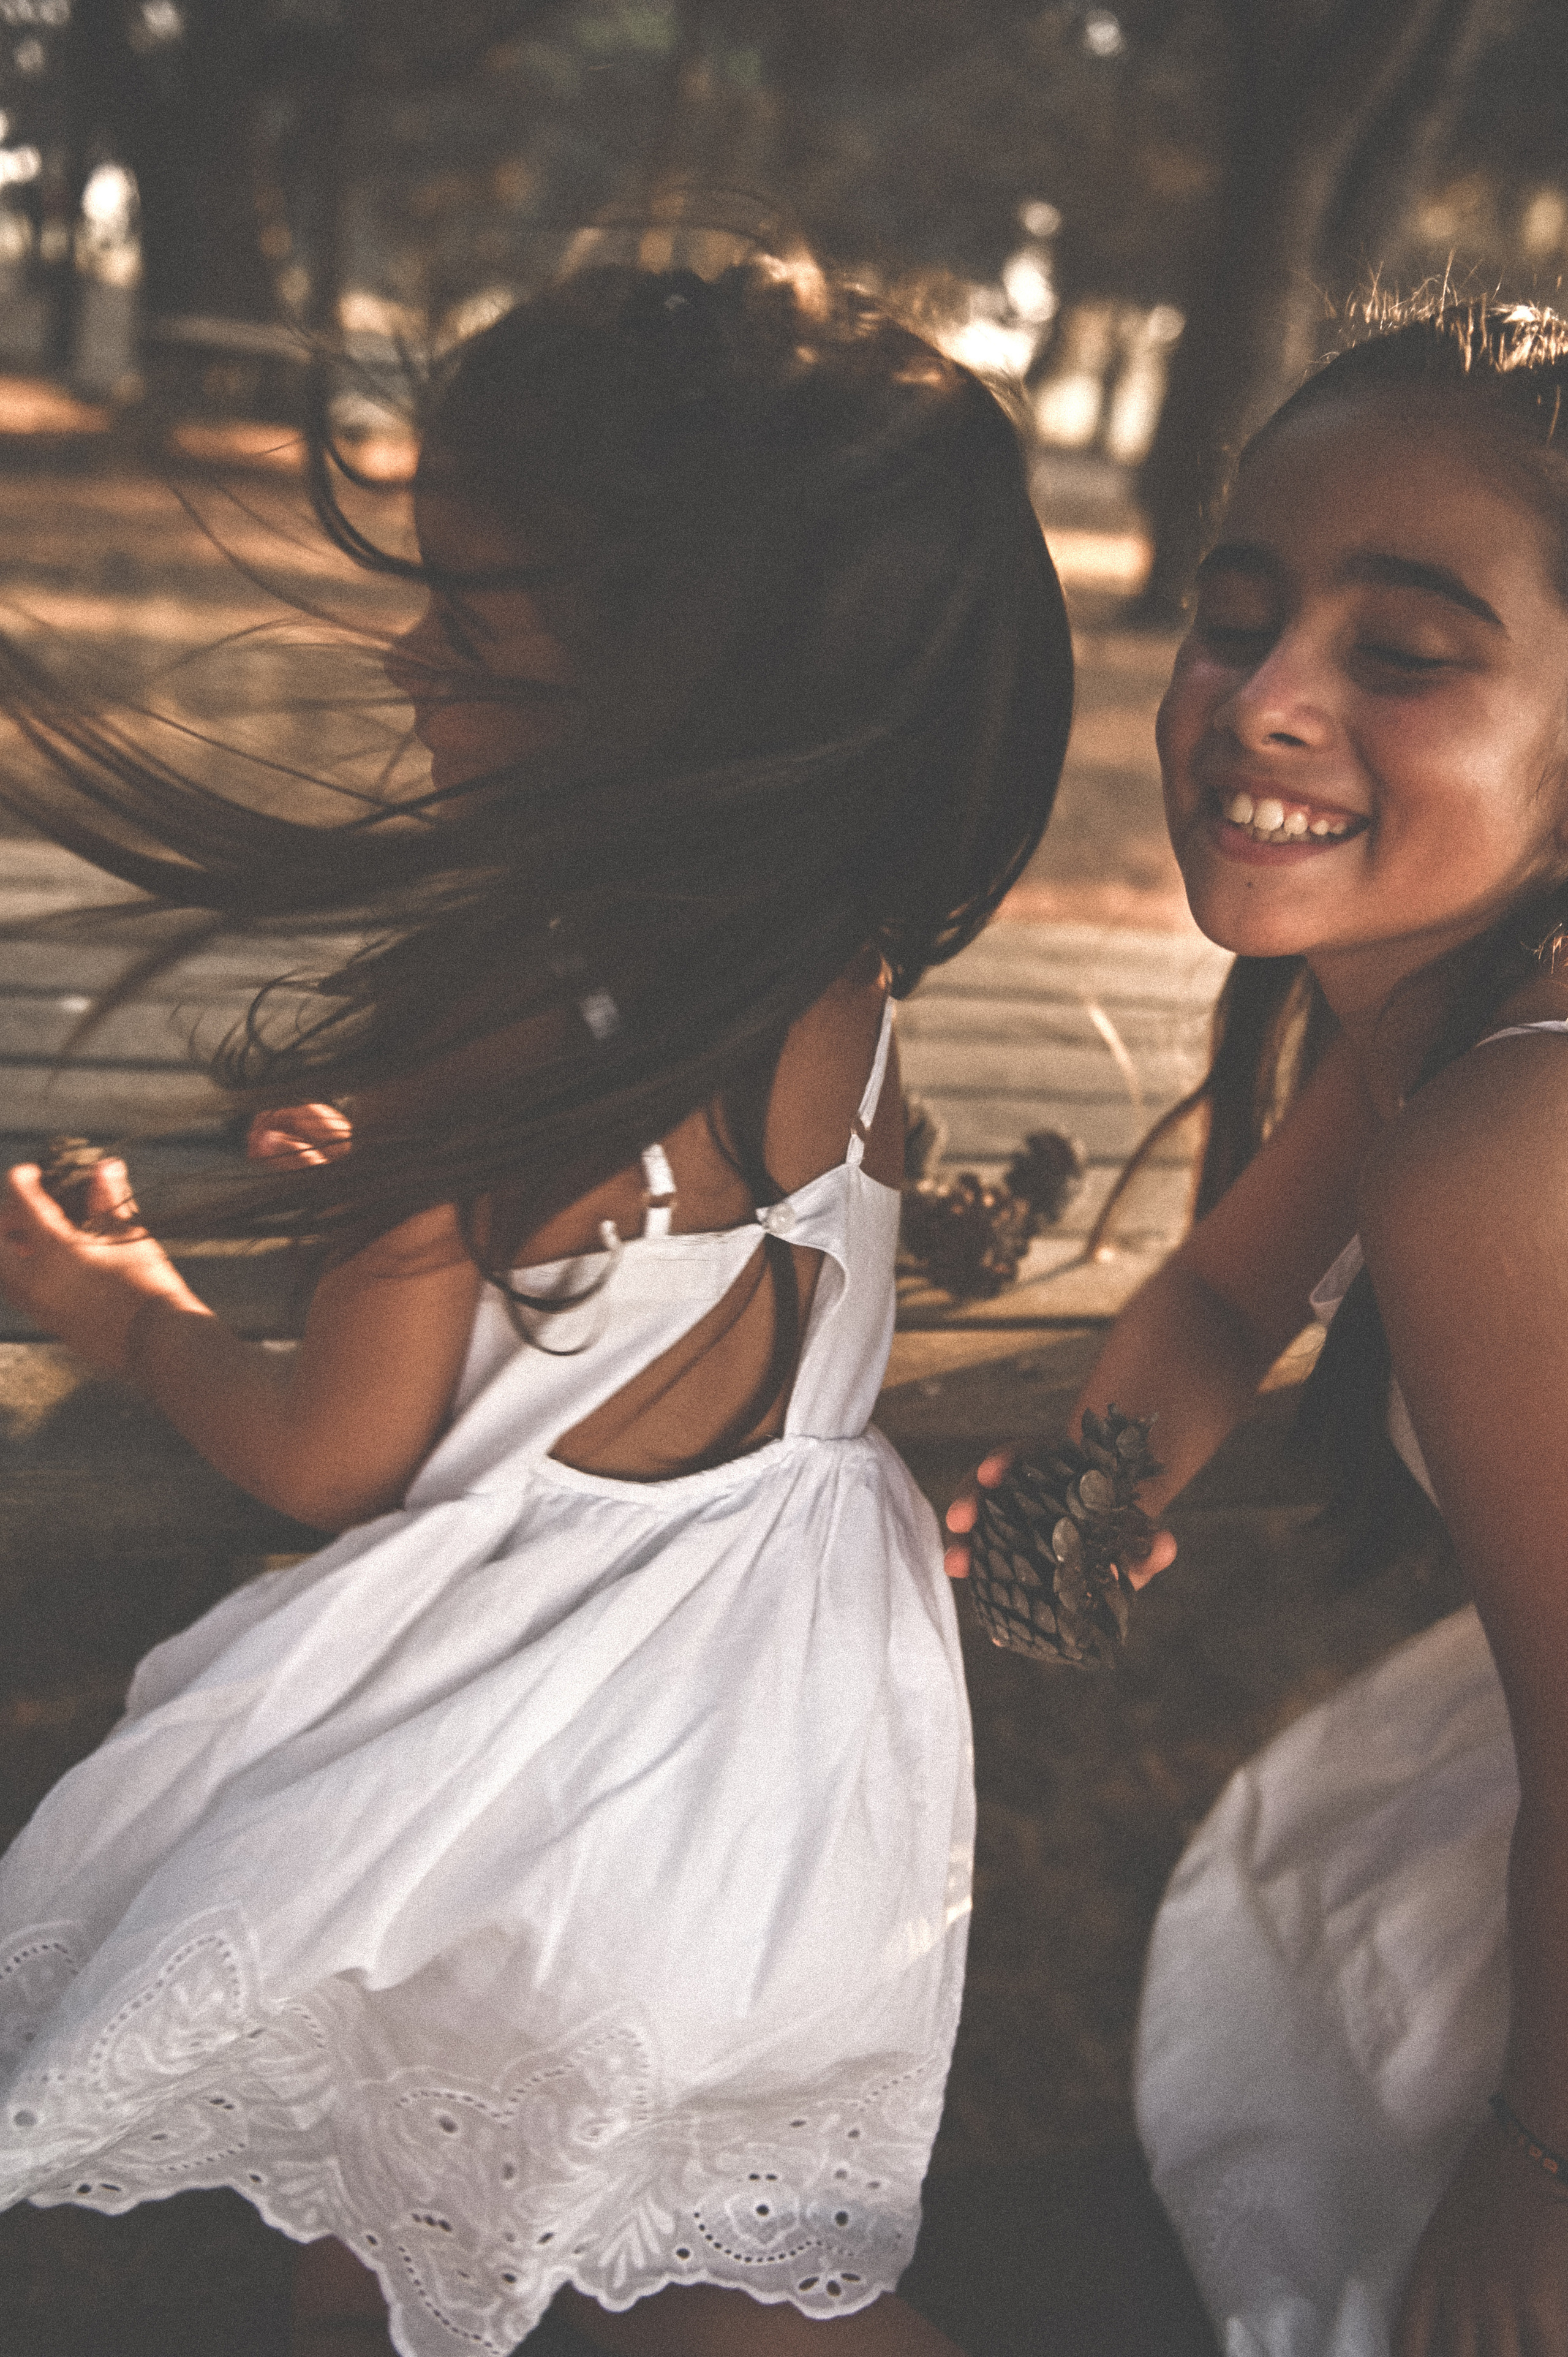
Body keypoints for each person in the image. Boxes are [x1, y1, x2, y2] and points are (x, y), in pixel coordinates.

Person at [0, 256, 1073, 2357]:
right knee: (686, 2257)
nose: (407, 654)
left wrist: (114, 1301)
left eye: (469, 614)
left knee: (395, 2222)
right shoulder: (844, 964)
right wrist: (419, 1199)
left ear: (671, 684)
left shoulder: (497, 1014)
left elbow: (337, 1452)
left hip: (524, 1754)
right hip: (788, 1733)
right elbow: (687, 1267)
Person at [944, 296, 1568, 2357]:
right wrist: (1102, 1474)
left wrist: (1540, 2177)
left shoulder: (1511, 1142)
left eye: (1401, 655)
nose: (1268, 701)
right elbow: (1229, 1286)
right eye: (1238, 615)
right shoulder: (1421, 1009)